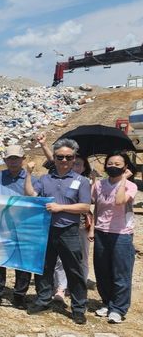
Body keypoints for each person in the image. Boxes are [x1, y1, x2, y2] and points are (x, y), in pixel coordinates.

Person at [25, 138, 91, 325]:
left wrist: (60, 208)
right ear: (54, 158)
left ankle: (78, 307)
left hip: (69, 231)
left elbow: (85, 207)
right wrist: (29, 174)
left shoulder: (82, 181)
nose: (64, 161)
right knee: (45, 267)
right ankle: (43, 299)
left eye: (68, 158)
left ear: (73, 158)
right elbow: (31, 195)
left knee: (74, 270)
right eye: (60, 157)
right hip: (46, 230)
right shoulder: (45, 179)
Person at [0, 145, 35, 309]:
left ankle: (20, 295)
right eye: (10, 158)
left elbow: (31, 195)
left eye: (16, 158)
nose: (13, 162)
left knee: (23, 260)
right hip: (2, 222)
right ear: (5, 160)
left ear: (22, 159)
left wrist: (29, 175)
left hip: (23, 224)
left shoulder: (30, 176)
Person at [90, 151, 137, 324]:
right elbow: (91, 201)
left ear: (125, 167)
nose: (113, 167)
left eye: (118, 164)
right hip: (101, 231)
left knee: (121, 273)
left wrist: (124, 179)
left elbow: (119, 201)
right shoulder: (101, 184)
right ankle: (107, 302)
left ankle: (118, 308)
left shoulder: (130, 186)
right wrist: (93, 181)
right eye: (110, 163)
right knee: (102, 271)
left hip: (121, 234)